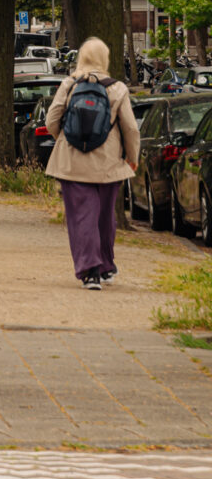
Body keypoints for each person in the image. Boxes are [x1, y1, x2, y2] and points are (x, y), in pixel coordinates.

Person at [45, 36, 140, 289]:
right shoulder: (117, 88)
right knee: (105, 216)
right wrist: (132, 158)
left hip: (73, 164)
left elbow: (51, 120)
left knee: (81, 217)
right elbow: (130, 128)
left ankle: (90, 271)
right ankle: (107, 266)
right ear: (104, 59)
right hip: (108, 164)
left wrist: (65, 139)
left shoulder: (69, 84)